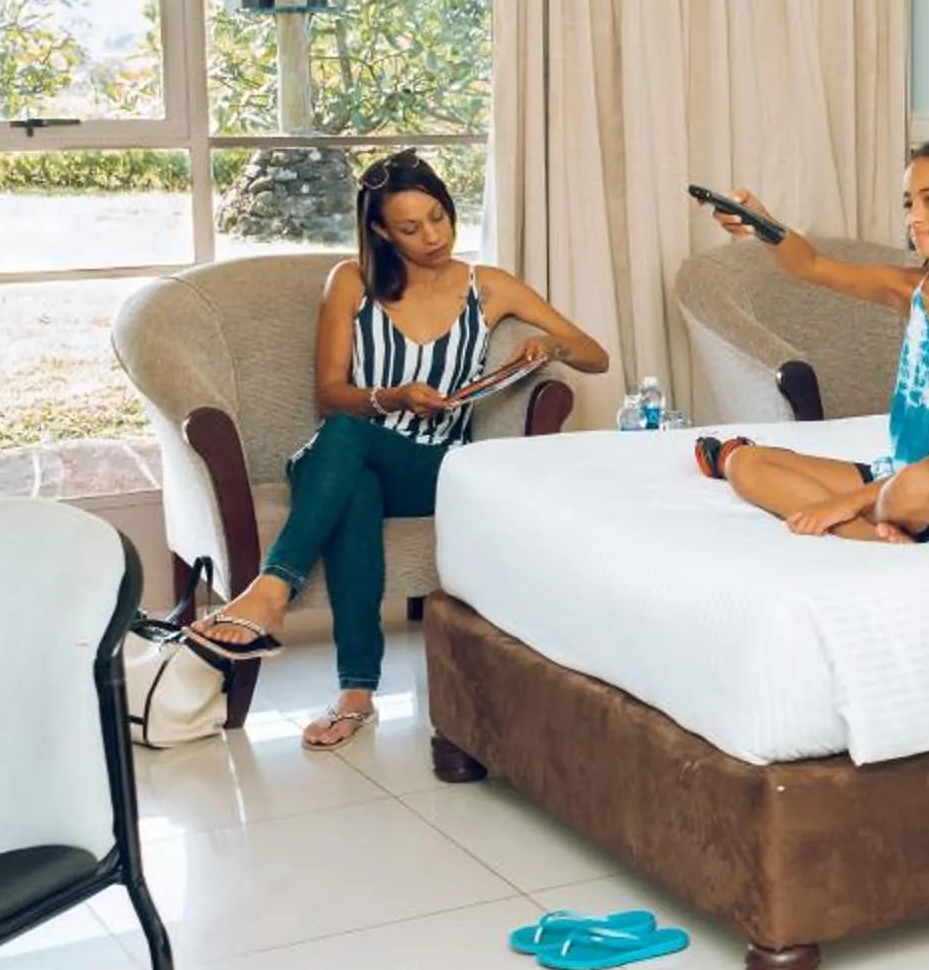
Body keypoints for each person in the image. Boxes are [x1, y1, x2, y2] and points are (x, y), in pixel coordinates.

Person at [186, 150, 611, 749]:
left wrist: (550, 344)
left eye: (438, 217)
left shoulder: (489, 287)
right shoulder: (351, 283)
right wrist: (393, 397)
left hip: (433, 467)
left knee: (349, 448)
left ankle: (271, 590)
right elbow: (331, 396)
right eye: (410, 228)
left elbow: (597, 356)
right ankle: (356, 694)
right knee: (351, 466)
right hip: (346, 452)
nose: (432, 236)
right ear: (381, 231)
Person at [694, 130, 929, 544]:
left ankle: (860, 517)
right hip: (898, 473)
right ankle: (875, 535)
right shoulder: (910, 290)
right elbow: (812, 265)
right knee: (744, 464)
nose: (915, 216)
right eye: (910, 203)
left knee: (915, 490)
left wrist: (842, 501)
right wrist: (762, 225)